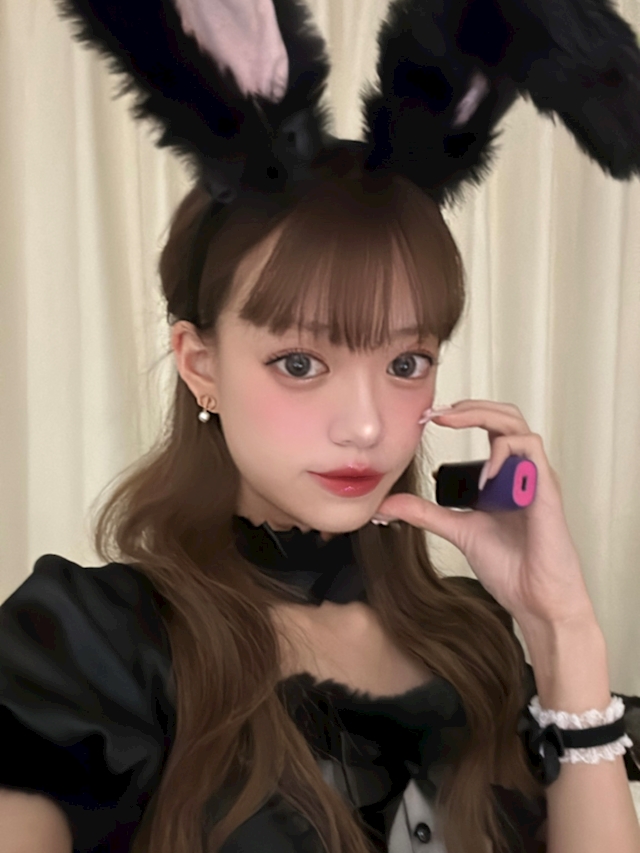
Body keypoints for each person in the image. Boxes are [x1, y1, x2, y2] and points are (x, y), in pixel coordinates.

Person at [0, 149, 639, 853]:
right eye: (300, 363)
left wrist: (560, 626)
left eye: (406, 363)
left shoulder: (476, 634)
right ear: (200, 365)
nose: (366, 426)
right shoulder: (85, 643)